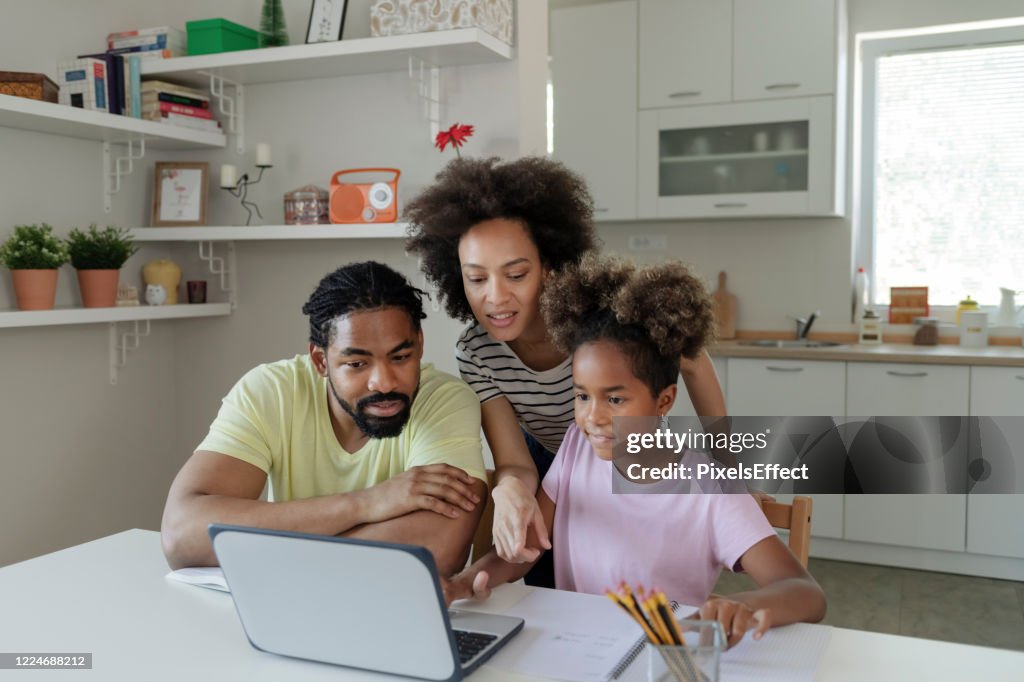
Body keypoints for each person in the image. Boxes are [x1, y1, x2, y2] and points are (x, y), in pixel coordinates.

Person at [445, 255, 826, 648]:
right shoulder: (576, 448)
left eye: (614, 399)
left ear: (664, 401)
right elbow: (527, 549)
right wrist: (465, 581)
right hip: (579, 652)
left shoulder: (711, 488)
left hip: (666, 660)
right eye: (581, 396)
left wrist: (738, 605)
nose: (592, 417)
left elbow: (805, 592)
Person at [405, 157, 728, 587]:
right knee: (546, 582)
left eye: (516, 274)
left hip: (633, 455)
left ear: (550, 267)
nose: (495, 298)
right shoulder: (478, 352)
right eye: (476, 279)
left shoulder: (602, 325)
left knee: (641, 578)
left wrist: (730, 465)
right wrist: (509, 489)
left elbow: (694, 362)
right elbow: (515, 464)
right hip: (549, 463)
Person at [160, 261, 487, 574]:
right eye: (358, 364)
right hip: (290, 610)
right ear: (320, 361)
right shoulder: (271, 391)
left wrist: (262, 545)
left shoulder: (445, 400)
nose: (384, 382)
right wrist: (367, 503)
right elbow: (182, 535)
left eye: (401, 357)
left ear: (420, 345)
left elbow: (437, 550)